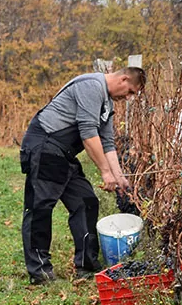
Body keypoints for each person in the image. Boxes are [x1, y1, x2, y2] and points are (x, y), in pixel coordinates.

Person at [20, 67, 145, 285]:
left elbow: (106, 142)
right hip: (45, 146)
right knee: (40, 206)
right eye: (130, 91)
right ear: (123, 78)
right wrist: (105, 172)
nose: (128, 97)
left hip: (64, 153)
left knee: (86, 201)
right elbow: (88, 133)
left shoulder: (107, 104)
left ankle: (87, 265)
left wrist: (119, 176)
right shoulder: (91, 86)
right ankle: (39, 271)